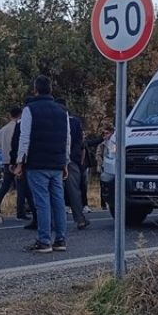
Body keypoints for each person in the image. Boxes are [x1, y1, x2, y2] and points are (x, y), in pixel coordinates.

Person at [15, 76, 70, 253]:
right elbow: (67, 138)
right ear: (51, 90)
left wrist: (19, 162)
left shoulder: (29, 110)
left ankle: (44, 240)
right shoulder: (63, 111)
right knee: (58, 201)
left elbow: (25, 138)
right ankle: (60, 239)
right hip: (57, 162)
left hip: (37, 163)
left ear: (35, 89)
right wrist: (65, 162)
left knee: (42, 201)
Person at [55, 98, 90, 230]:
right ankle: (80, 219)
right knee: (74, 190)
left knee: (53, 189)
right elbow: (80, 142)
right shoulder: (75, 122)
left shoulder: (53, 121)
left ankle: (51, 220)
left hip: (53, 158)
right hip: (71, 160)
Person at [0, 107, 25, 220]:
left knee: (5, 186)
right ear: (20, 114)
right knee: (21, 186)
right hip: (17, 161)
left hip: (6, 160)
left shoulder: (3, 130)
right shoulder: (20, 127)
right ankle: (21, 211)